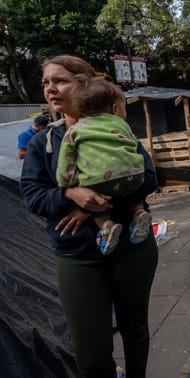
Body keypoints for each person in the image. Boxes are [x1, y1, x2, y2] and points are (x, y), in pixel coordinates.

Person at [20, 55, 158, 378]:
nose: (50, 89)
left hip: (131, 246)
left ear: (82, 84)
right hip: (78, 255)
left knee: (134, 329)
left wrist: (91, 205)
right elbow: (31, 195)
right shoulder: (45, 143)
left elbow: (149, 178)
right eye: (45, 83)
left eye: (60, 81)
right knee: (92, 358)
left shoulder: (114, 126)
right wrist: (69, 195)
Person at [56, 76, 152, 256]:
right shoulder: (122, 124)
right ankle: (138, 212)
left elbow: (66, 160)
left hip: (99, 181)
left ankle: (106, 225)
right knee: (131, 189)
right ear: (115, 108)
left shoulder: (74, 130)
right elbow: (133, 147)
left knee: (96, 202)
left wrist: (67, 182)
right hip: (134, 175)